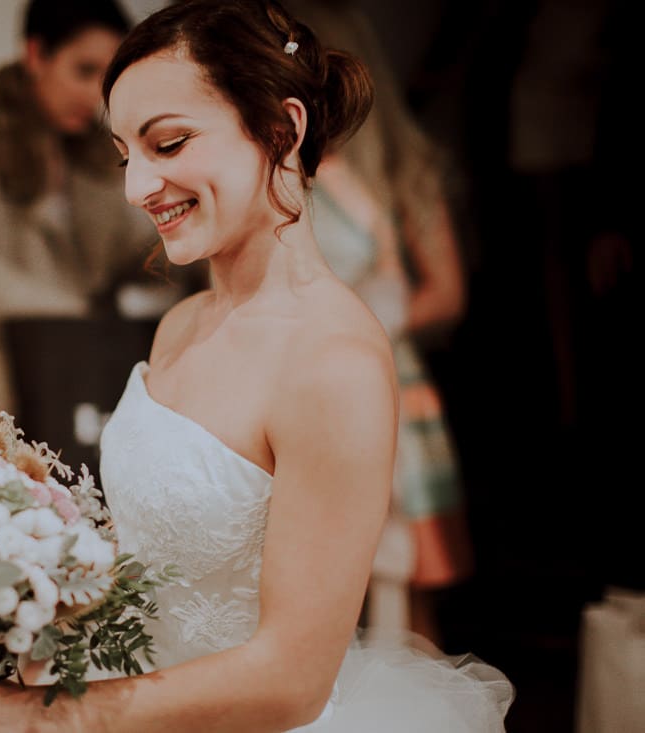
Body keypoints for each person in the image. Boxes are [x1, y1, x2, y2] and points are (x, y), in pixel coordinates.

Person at [0, 1, 512, 729]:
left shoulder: (336, 362)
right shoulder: (178, 324)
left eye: (166, 144)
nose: (137, 187)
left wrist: (35, 716)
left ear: (283, 129)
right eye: (125, 156)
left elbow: (291, 678)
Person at [287, 0, 473, 649]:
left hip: (389, 384)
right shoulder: (284, 173)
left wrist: (357, 334)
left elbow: (446, 291)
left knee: (403, 583)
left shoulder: (402, 169)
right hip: (301, 392)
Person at [0, 0, 157, 440]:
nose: (95, 94)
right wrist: (63, 308)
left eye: (105, 78)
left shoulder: (99, 150)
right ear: (36, 56)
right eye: (83, 70)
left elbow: (127, 253)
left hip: (81, 380)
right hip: (1, 373)